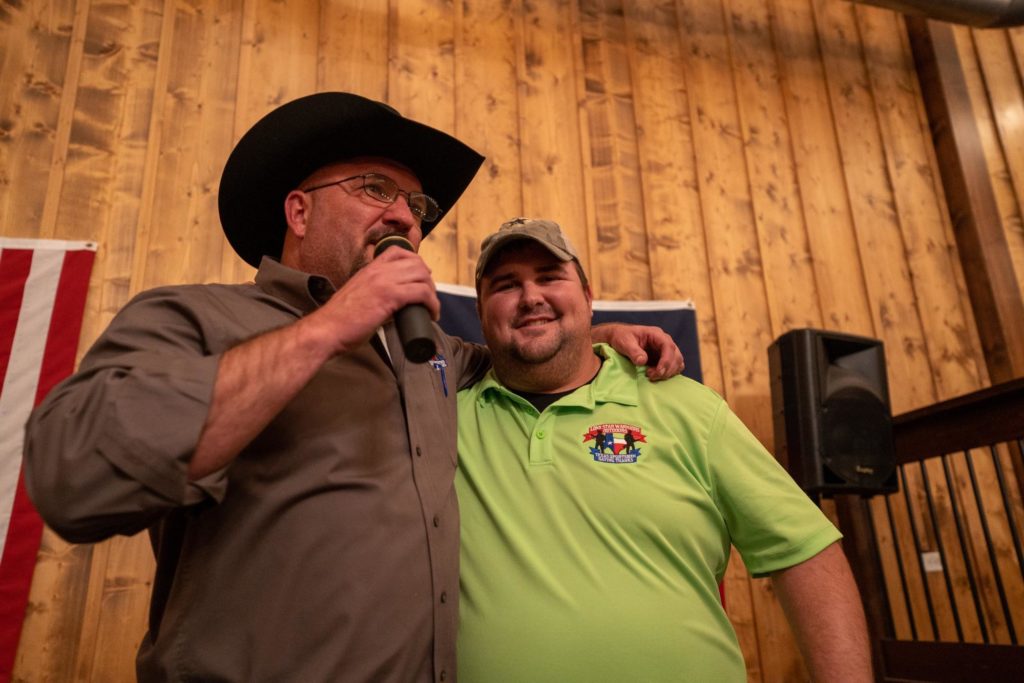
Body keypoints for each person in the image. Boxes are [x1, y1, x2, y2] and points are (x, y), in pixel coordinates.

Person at [21, 94, 682, 682]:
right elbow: (74, 477)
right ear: (299, 211)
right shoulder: (196, 316)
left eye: (416, 206)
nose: (405, 217)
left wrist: (597, 331)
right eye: (375, 189)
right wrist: (332, 325)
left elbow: (512, 356)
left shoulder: (428, 350)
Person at [456, 218, 873, 682]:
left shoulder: (687, 407)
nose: (530, 296)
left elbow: (805, 555)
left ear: (588, 296)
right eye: (506, 285)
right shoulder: (443, 419)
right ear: (481, 310)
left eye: (550, 277)